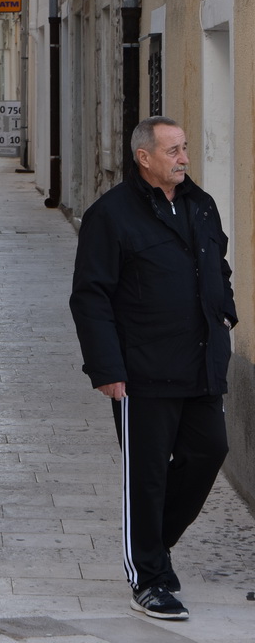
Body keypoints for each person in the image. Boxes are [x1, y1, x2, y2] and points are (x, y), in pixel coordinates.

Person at [70, 116, 237, 622]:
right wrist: (106, 367)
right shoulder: (111, 216)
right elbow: (90, 297)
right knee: (146, 478)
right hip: (141, 371)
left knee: (210, 451)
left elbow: (218, 264)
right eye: (173, 151)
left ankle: (152, 545)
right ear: (144, 158)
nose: (184, 158)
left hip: (202, 360)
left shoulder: (200, 204)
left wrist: (224, 306)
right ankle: (148, 578)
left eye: (185, 148)